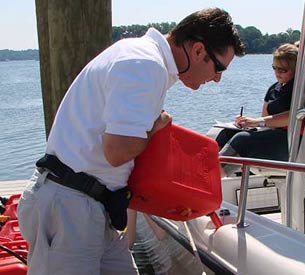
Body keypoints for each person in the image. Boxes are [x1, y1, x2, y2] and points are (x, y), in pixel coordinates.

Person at [17, 8, 245, 275]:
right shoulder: (146, 65)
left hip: (90, 204)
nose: (217, 79)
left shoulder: (139, 55)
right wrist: (154, 129)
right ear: (197, 51)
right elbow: (117, 150)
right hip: (70, 208)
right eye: (218, 68)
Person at [217, 43, 305, 177]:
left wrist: (257, 121)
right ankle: (206, 169)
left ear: (296, 69)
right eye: (275, 68)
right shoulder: (275, 88)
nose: (277, 73)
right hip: (273, 134)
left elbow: (295, 115)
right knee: (226, 133)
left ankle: (212, 176)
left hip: (294, 140)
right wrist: (247, 123)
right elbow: (265, 117)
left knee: (242, 140)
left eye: (283, 70)